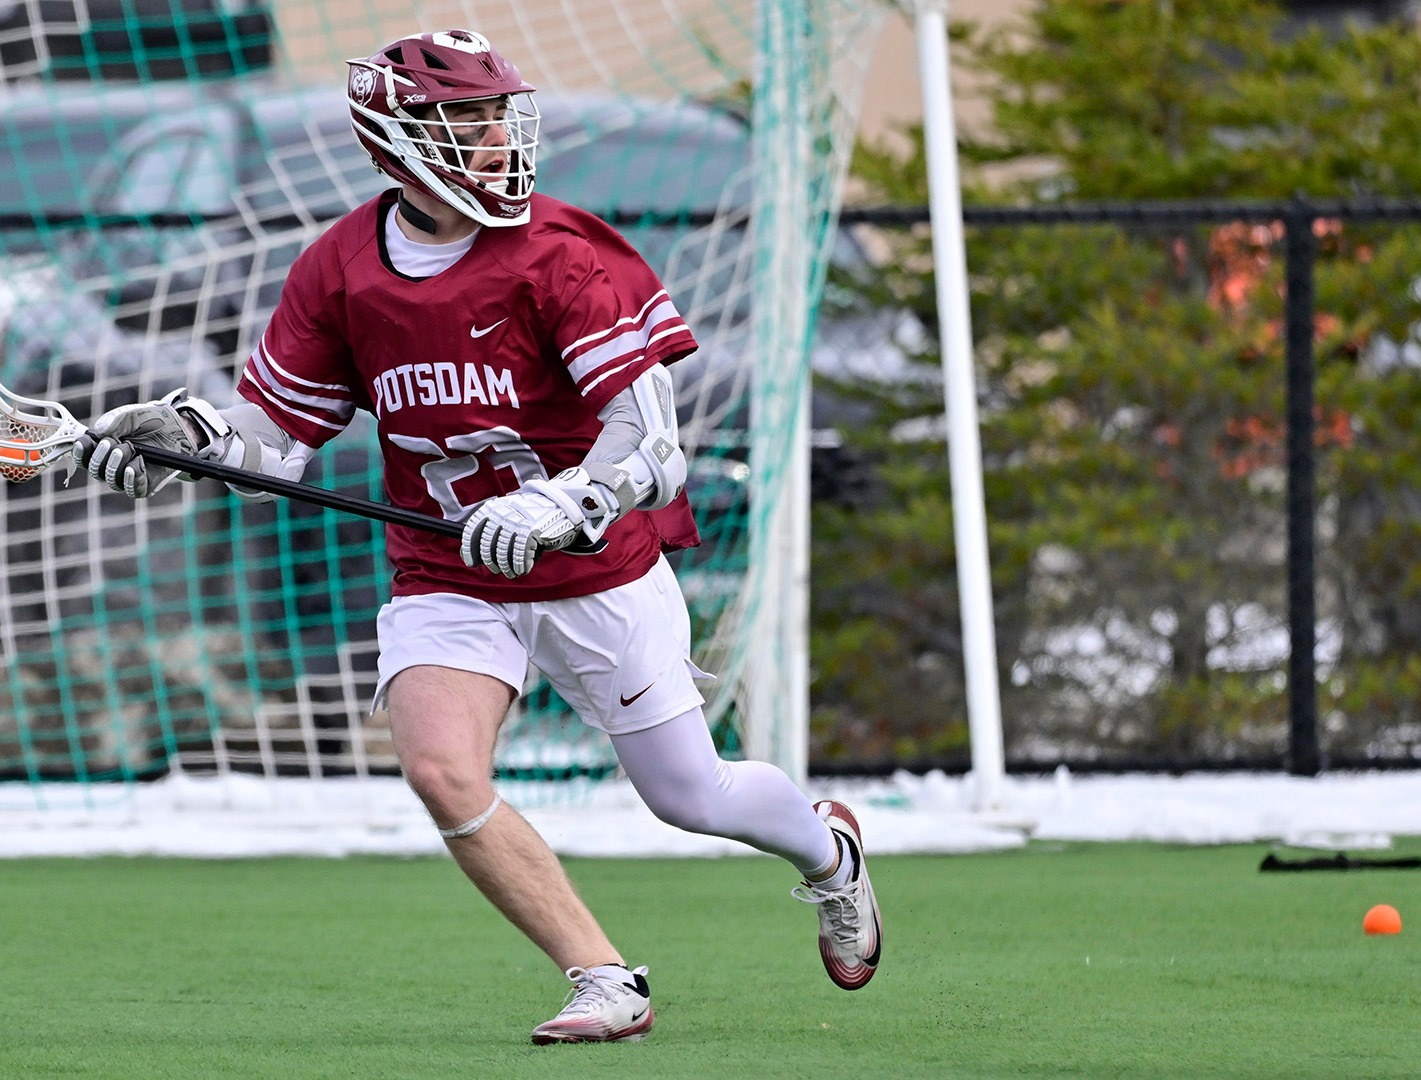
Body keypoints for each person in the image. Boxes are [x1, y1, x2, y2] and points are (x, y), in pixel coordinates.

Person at [73, 28, 881, 1043]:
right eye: (466, 119)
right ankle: (604, 979)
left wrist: (561, 503)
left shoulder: (563, 253)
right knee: (441, 770)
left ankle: (828, 853)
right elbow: (276, 442)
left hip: (593, 570)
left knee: (691, 795)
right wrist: (188, 438)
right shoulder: (339, 271)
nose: (497, 138)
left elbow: (652, 445)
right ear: (394, 138)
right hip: (447, 572)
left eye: (500, 115)